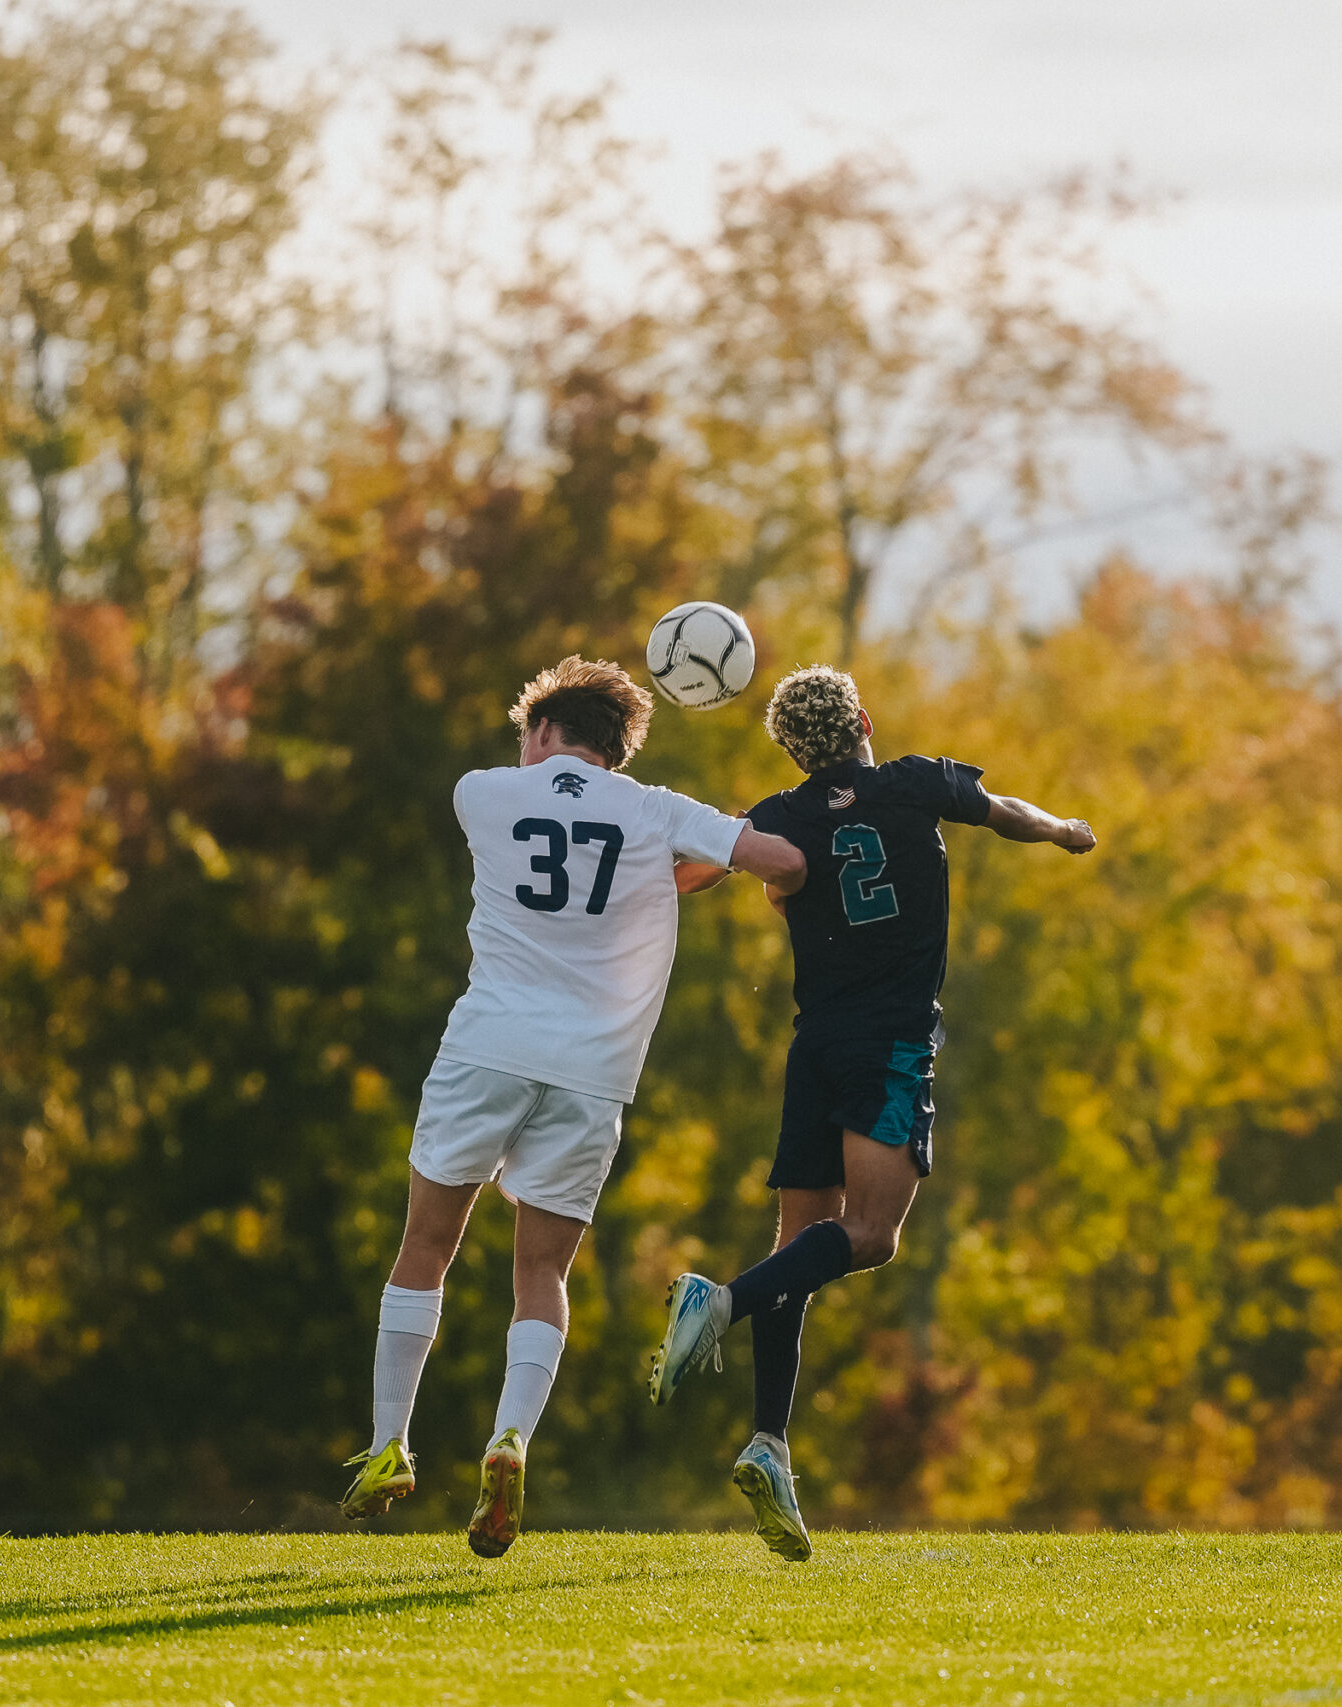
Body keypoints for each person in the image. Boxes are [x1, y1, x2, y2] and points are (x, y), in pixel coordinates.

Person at [340, 655, 807, 1558]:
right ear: (616, 749)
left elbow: (539, 840)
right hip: (593, 1074)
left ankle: (389, 1446)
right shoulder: (655, 809)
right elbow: (779, 856)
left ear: (545, 732)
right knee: (541, 1273)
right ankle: (510, 1435)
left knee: (425, 1248)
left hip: (487, 1049)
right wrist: (687, 865)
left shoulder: (482, 792)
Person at [648, 664, 1095, 1560]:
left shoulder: (781, 815)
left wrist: (663, 861)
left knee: (798, 1249)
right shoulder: (913, 782)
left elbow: (697, 872)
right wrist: (1068, 831)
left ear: (793, 746)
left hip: (814, 1047)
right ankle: (720, 1301)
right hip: (888, 1042)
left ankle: (768, 1442)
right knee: (874, 1235)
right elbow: (1006, 811)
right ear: (861, 718)